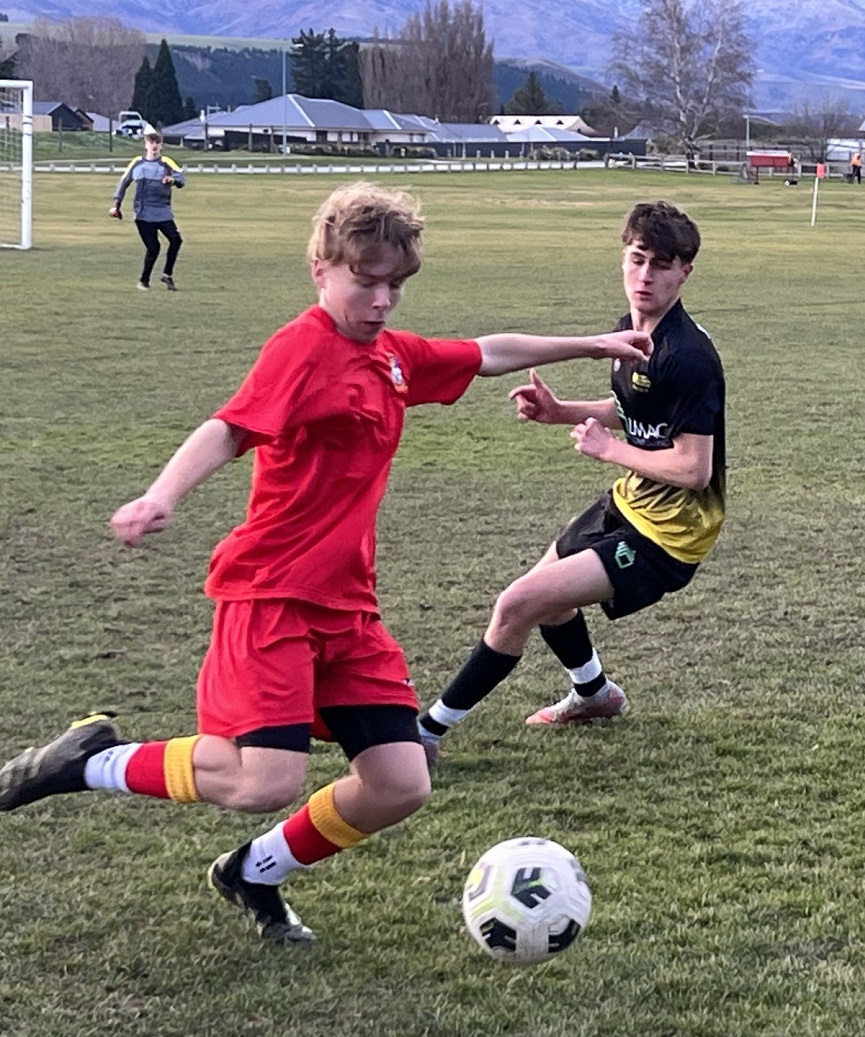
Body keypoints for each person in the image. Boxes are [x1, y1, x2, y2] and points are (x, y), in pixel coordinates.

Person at [0, 182, 651, 945]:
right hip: (271, 594)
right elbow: (227, 429)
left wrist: (593, 344)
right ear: (321, 268)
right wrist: (159, 494)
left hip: (348, 609)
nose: (381, 300)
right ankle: (90, 760)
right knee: (260, 779)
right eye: (364, 281)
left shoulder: (391, 358)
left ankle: (252, 872)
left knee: (400, 782)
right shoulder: (302, 347)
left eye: (395, 286)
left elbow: (484, 353)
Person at [418, 200, 725, 752]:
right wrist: (561, 412)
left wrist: (609, 451)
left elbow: (693, 468)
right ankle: (595, 694)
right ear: (622, 258)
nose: (645, 276)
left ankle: (426, 733)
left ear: (686, 271)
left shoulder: (689, 356)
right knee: (549, 599)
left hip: (669, 535)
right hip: (629, 504)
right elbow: (631, 408)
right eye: (637, 259)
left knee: (516, 605)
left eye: (661, 264)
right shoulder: (626, 332)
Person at [111, 129, 186, 291]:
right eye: (151, 142)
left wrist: (172, 179)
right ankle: (144, 281)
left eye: (157, 143)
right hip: (143, 213)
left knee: (176, 240)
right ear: (146, 144)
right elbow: (123, 183)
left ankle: (167, 274)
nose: (154, 146)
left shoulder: (166, 162)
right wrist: (116, 204)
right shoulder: (137, 163)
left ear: (161, 146)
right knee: (154, 247)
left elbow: (181, 178)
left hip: (163, 211)